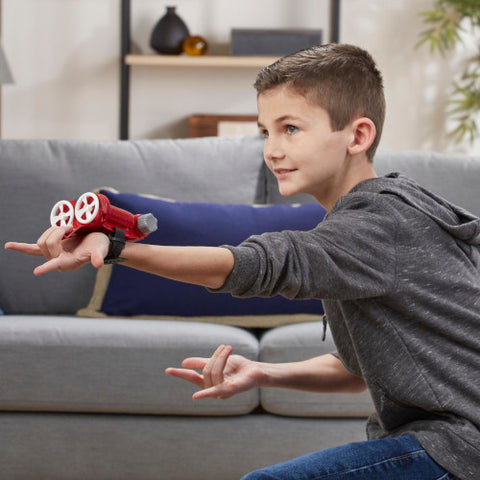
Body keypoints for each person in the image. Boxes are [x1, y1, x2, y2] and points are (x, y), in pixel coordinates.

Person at [5, 43, 479, 480]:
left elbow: (259, 264)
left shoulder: (377, 224)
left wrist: (116, 248)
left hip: (458, 448)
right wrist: (263, 372)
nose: (272, 149)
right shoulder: (377, 219)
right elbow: (358, 370)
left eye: (291, 128)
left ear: (357, 135)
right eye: (265, 131)